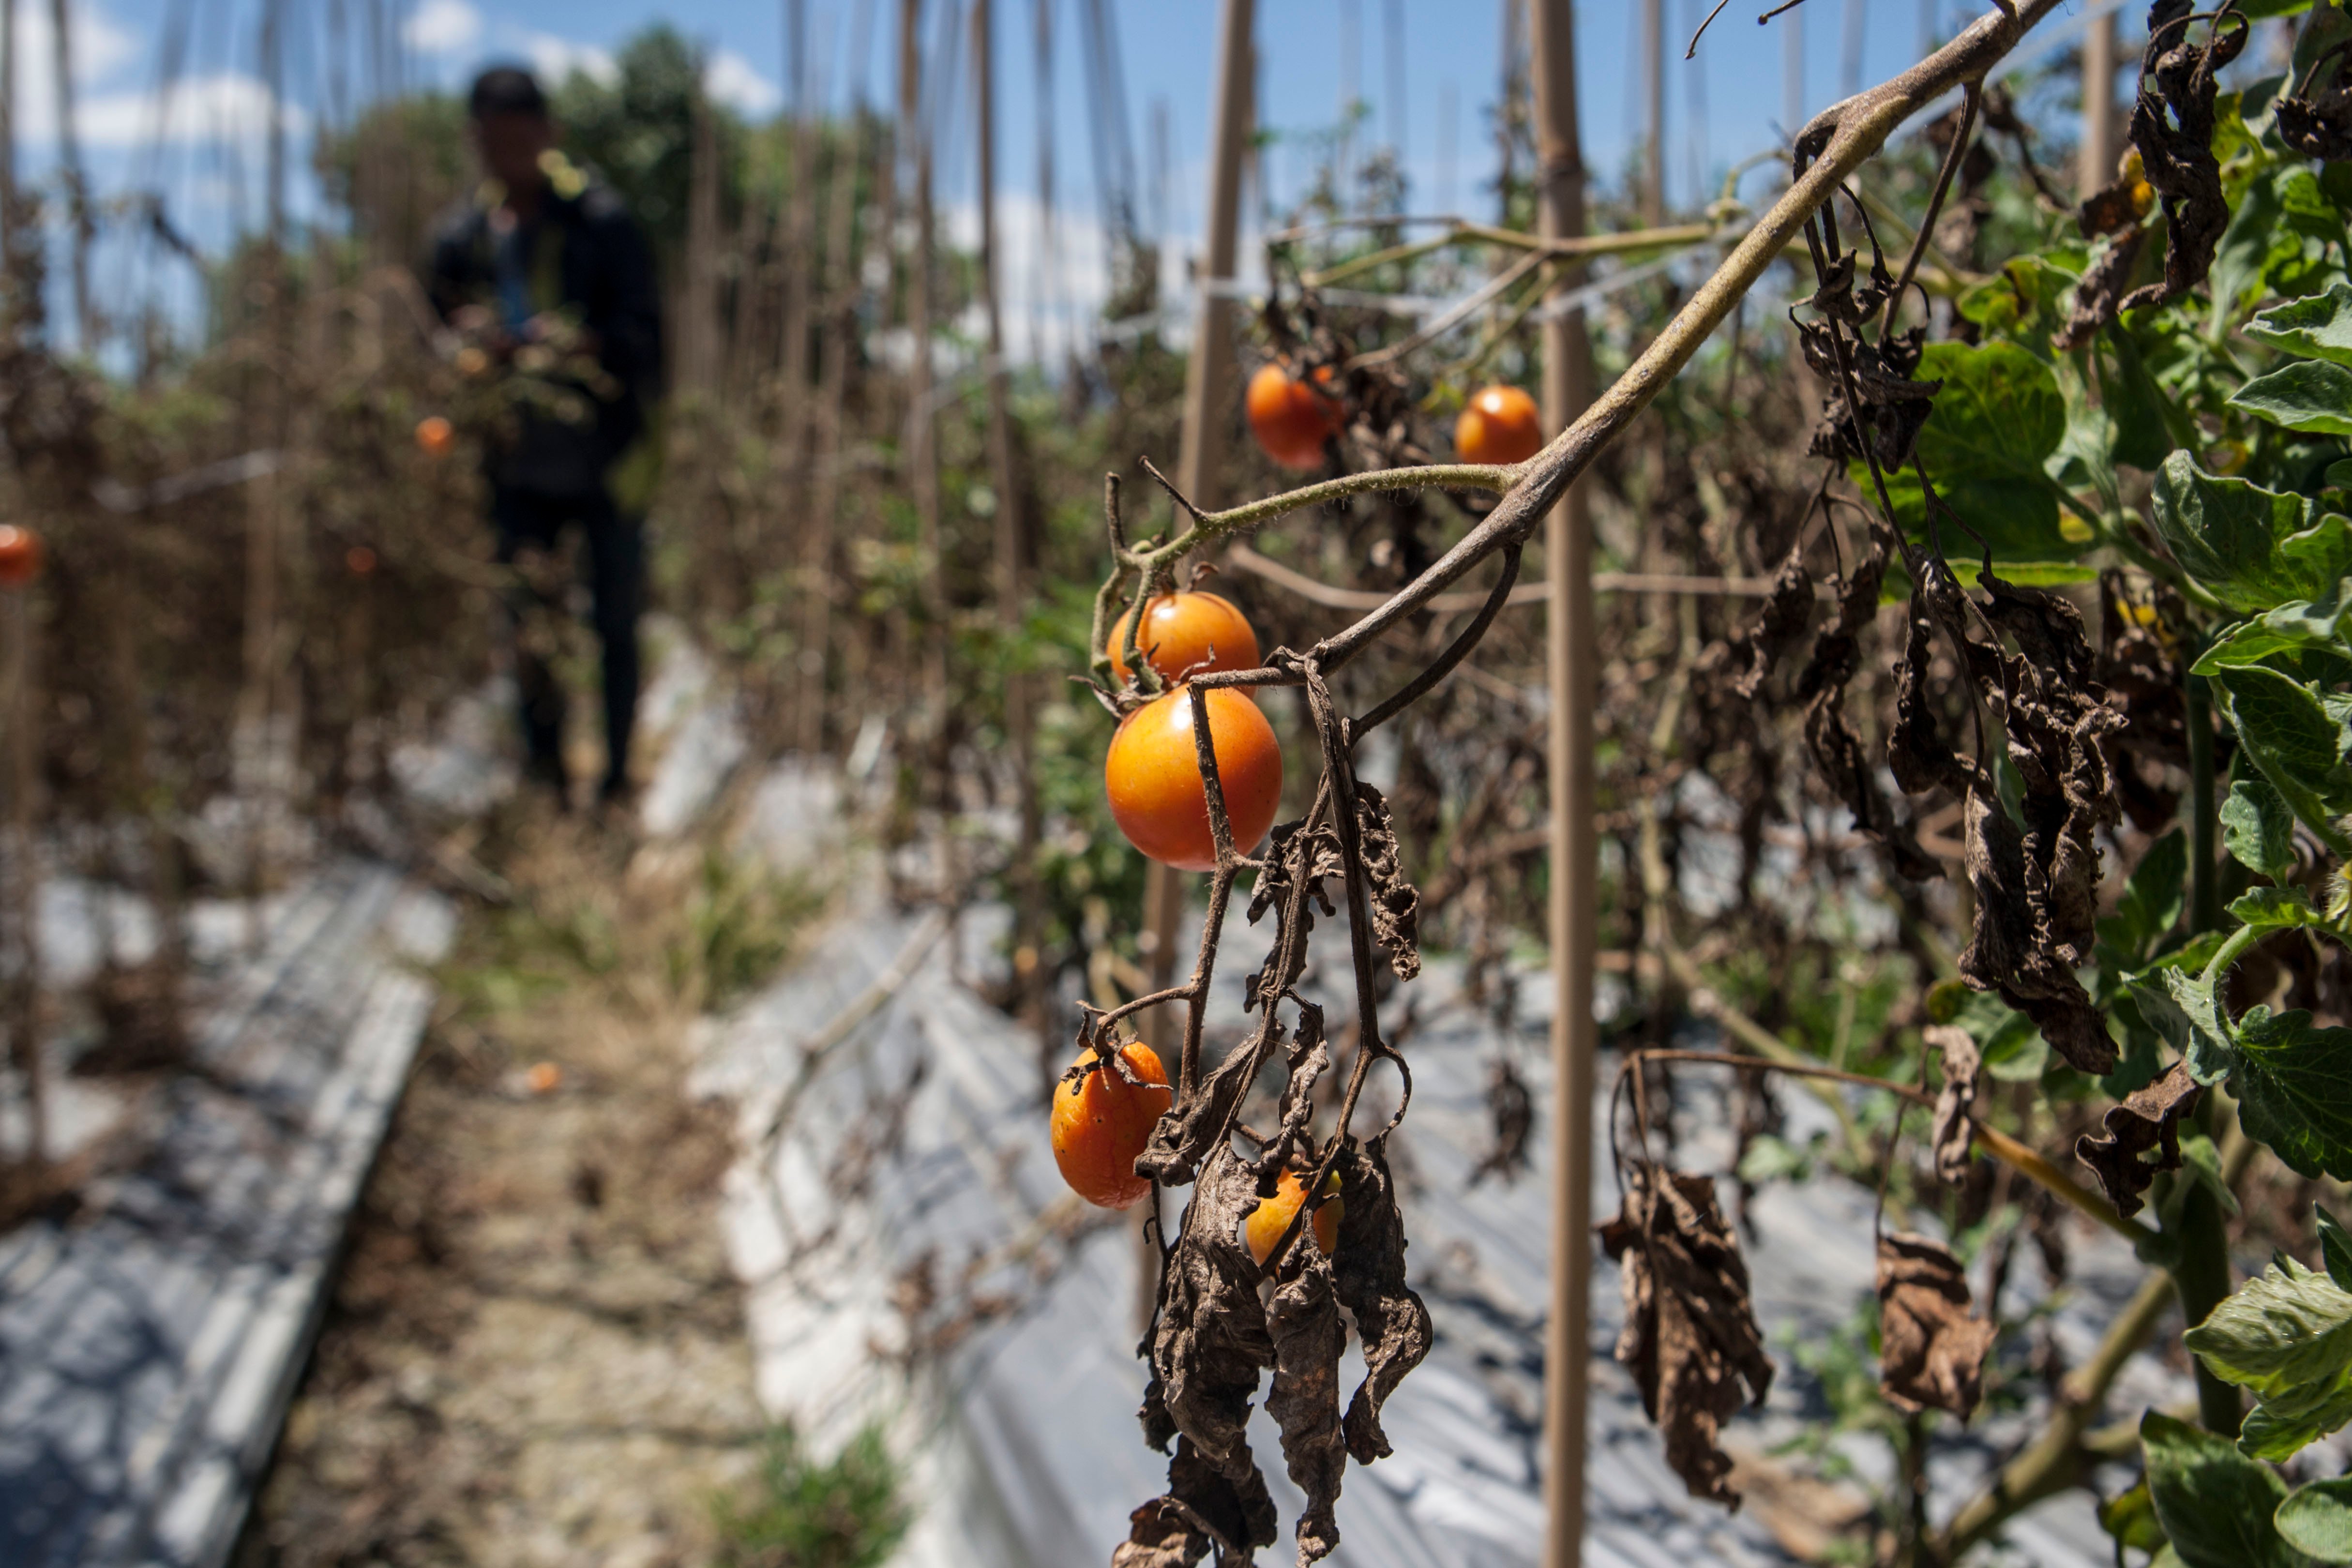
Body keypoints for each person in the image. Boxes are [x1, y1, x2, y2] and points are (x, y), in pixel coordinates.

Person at [428, 65, 663, 810]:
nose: (509, 157)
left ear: (548, 135)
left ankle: (619, 780)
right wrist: (471, 344)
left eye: (522, 140)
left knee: (614, 625)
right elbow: (434, 326)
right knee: (530, 627)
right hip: (517, 467)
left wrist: (579, 346)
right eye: (494, 144)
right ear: (476, 144)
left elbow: (646, 335)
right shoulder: (464, 239)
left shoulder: (602, 223)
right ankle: (549, 786)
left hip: (605, 463)